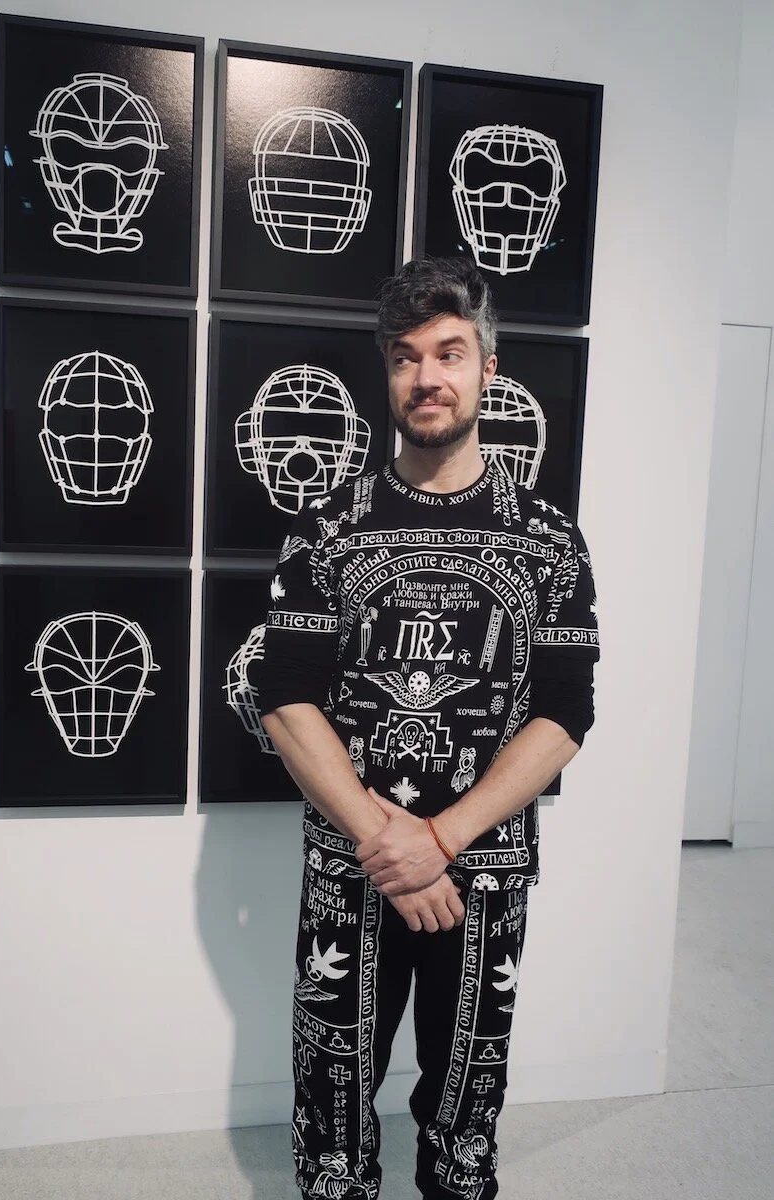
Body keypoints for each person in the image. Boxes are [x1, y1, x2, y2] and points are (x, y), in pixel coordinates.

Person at [251, 256, 600, 1200]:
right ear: (387, 373)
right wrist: (387, 842)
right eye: (404, 357)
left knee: (466, 1104)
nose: (426, 377)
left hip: (483, 873)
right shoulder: (327, 529)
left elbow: (565, 711)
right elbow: (283, 695)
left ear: (488, 367)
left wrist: (438, 840)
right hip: (351, 866)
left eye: (449, 353)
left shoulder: (547, 539)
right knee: (331, 1098)